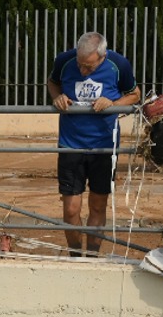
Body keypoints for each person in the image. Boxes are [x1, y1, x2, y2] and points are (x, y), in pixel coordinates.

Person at [47, 32, 140, 257]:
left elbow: (134, 95)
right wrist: (57, 97)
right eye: (80, 65)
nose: (82, 71)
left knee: (97, 205)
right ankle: (76, 256)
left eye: (89, 67)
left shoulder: (119, 64)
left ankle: (92, 257)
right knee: (71, 209)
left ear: (102, 56)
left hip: (104, 146)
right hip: (70, 144)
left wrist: (114, 103)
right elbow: (53, 82)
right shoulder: (64, 60)